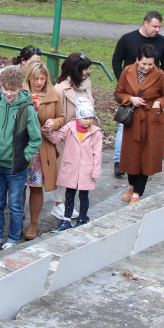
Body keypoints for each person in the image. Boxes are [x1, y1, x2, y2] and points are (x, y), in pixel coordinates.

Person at [0, 67, 42, 256]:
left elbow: (36, 139)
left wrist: (24, 157)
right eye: (5, 89)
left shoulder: (27, 109)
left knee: (16, 205)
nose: (8, 94)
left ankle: (12, 239)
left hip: (16, 168)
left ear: (19, 87)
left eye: (12, 89)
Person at [112, 12, 164, 177]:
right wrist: (123, 82)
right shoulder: (127, 38)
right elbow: (117, 60)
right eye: (154, 26)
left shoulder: (162, 42)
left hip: (150, 97)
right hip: (130, 91)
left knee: (146, 135)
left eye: (159, 27)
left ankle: (142, 168)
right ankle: (119, 161)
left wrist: (159, 82)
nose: (157, 30)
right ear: (145, 23)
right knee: (125, 126)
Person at [115, 44, 164, 204]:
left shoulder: (159, 75)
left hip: (151, 122)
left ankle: (137, 193)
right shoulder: (127, 71)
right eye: (144, 64)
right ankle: (132, 186)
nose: (147, 67)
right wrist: (130, 99)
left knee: (146, 157)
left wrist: (158, 103)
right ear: (137, 60)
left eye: (150, 64)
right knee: (131, 156)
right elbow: (118, 94)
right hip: (133, 120)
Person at [43, 97, 102, 232]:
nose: (88, 121)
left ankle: (82, 219)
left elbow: (97, 154)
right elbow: (57, 138)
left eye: (90, 118)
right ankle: (67, 220)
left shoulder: (95, 133)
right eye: (85, 118)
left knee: (83, 196)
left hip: (86, 170)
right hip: (71, 168)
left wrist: (95, 171)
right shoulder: (70, 128)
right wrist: (48, 131)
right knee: (69, 194)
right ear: (78, 117)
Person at [23, 61, 65, 241]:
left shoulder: (52, 94)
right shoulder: (20, 93)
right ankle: (18, 221)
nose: (39, 82)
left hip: (41, 148)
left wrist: (54, 123)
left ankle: (33, 223)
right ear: (29, 78)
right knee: (18, 188)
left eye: (42, 78)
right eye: (36, 79)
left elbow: (61, 117)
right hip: (22, 147)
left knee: (36, 187)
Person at [50, 52, 94, 220]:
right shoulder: (60, 89)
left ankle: (67, 204)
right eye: (84, 69)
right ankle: (58, 204)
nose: (87, 72)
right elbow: (57, 115)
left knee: (78, 172)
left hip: (84, 136)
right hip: (66, 138)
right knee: (63, 171)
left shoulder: (86, 84)